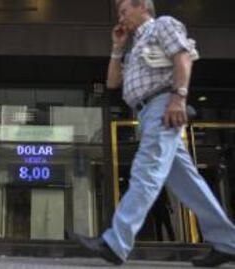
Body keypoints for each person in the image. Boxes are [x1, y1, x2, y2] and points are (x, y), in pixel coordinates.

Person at [75, 0, 235, 267]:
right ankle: (228, 242)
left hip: (163, 106)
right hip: (147, 113)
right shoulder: (135, 45)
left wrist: (178, 98)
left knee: (145, 171)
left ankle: (116, 242)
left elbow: (182, 56)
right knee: (188, 184)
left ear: (143, 8)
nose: (120, 17)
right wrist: (117, 48)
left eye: (124, 11)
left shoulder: (163, 25)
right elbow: (113, 82)